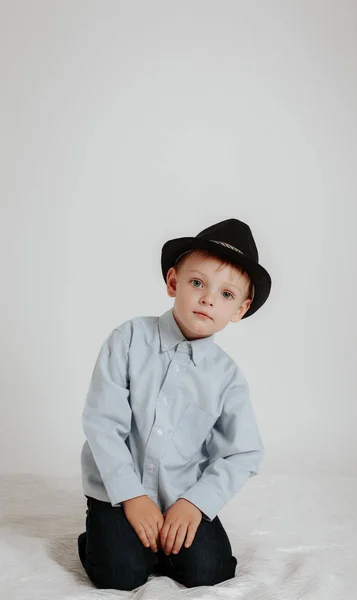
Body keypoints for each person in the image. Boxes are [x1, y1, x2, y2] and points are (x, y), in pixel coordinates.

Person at [77, 217, 272, 590]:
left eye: (226, 295)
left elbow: (243, 453)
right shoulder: (129, 339)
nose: (208, 298)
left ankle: (162, 541)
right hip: (119, 493)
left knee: (211, 572)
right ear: (173, 283)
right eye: (197, 282)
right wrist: (132, 495)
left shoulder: (227, 378)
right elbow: (103, 422)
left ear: (240, 309)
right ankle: (99, 538)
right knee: (120, 574)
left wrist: (195, 504)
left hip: (180, 495)